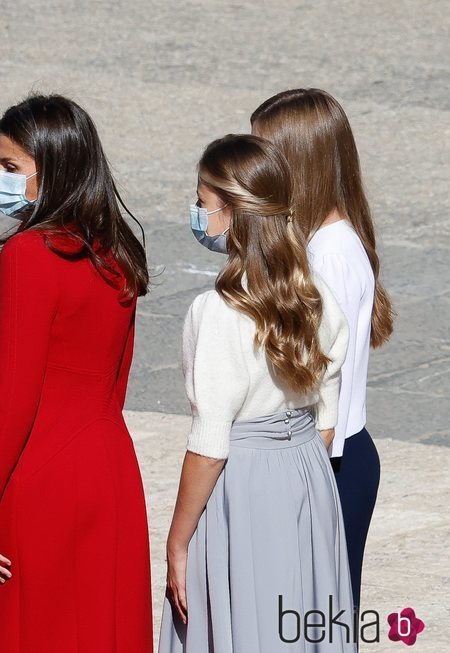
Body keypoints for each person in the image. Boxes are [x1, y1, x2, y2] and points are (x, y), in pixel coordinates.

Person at [0, 94, 153, 652]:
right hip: (108, 467)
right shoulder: (117, 253)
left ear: (52, 171)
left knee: (21, 630)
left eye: (10, 167)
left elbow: (14, 393)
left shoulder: (29, 255)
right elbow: (117, 380)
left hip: (37, 473)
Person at [160, 134, 354, 652]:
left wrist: (178, 541)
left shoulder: (218, 311)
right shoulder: (316, 295)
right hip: (307, 472)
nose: (197, 214)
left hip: (241, 485)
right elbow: (328, 412)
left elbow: (209, 446)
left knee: (243, 622)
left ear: (230, 213)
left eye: (202, 203)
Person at [250, 88, 393, 615]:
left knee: (312, 619)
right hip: (339, 456)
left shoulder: (326, 254)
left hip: (328, 460)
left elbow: (312, 379)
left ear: (296, 163)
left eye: (263, 154)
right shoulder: (332, 240)